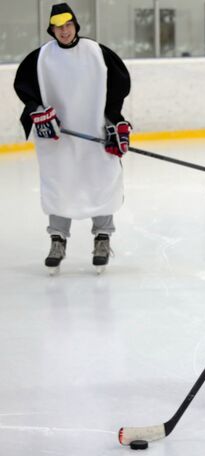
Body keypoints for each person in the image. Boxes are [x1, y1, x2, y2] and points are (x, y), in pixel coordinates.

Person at [13, 3, 131, 274]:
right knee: (59, 181)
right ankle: (57, 240)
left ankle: (102, 238)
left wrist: (114, 120)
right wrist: (37, 112)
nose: (64, 32)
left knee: (100, 179)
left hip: (94, 132)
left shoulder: (97, 53)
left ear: (75, 26)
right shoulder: (41, 57)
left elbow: (119, 85)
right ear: (51, 29)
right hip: (58, 137)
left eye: (68, 26)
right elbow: (25, 89)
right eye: (58, 27)